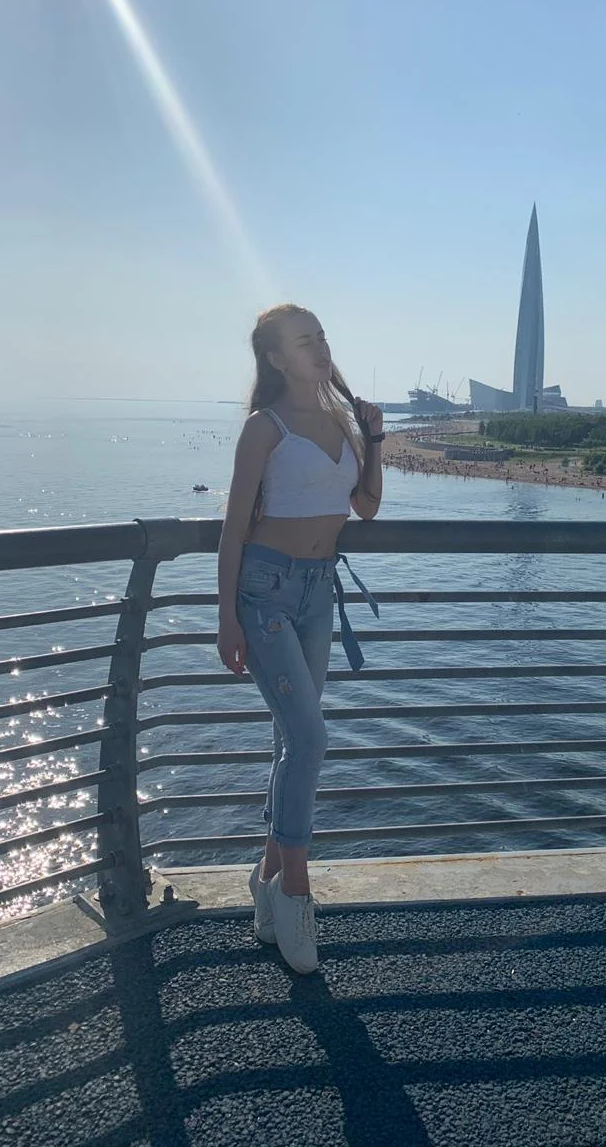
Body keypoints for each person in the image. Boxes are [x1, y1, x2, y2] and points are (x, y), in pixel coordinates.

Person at [217, 303, 383, 973]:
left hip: (319, 591)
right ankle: (295, 894)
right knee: (310, 739)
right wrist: (226, 616)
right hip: (265, 591)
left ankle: (264, 880)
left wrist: (374, 440)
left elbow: (365, 507)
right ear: (277, 357)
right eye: (303, 341)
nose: (318, 349)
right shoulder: (266, 427)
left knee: (294, 738)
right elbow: (233, 528)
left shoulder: (342, 421)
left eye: (322, 337)